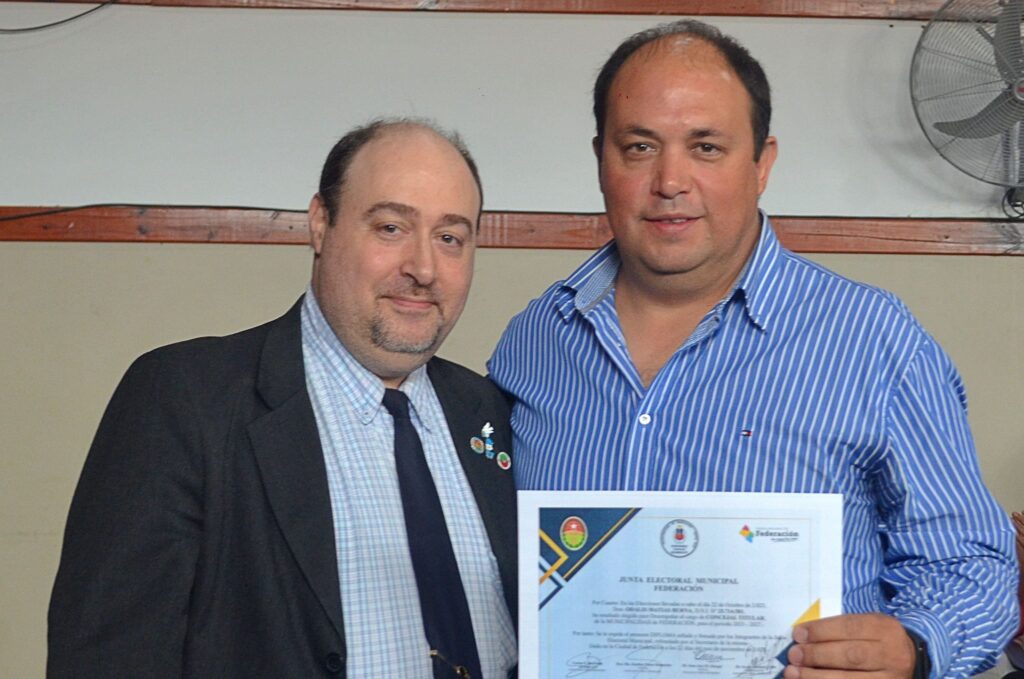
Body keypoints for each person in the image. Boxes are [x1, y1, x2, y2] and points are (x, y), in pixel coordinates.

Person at [488, 19, 1018, 679]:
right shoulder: (536, 340)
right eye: (639, 147)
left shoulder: (873, 340)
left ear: (762, 163)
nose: (670, 181)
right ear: (602, 159)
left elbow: (972, 563)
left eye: (706, 147)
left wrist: (915, 647)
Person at [49, 119, 517, 678]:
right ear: (320, 224)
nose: (423, 268)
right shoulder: (184, 400)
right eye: (391, 227)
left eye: (450, 238)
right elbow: (110, 659)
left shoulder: (489, 411)